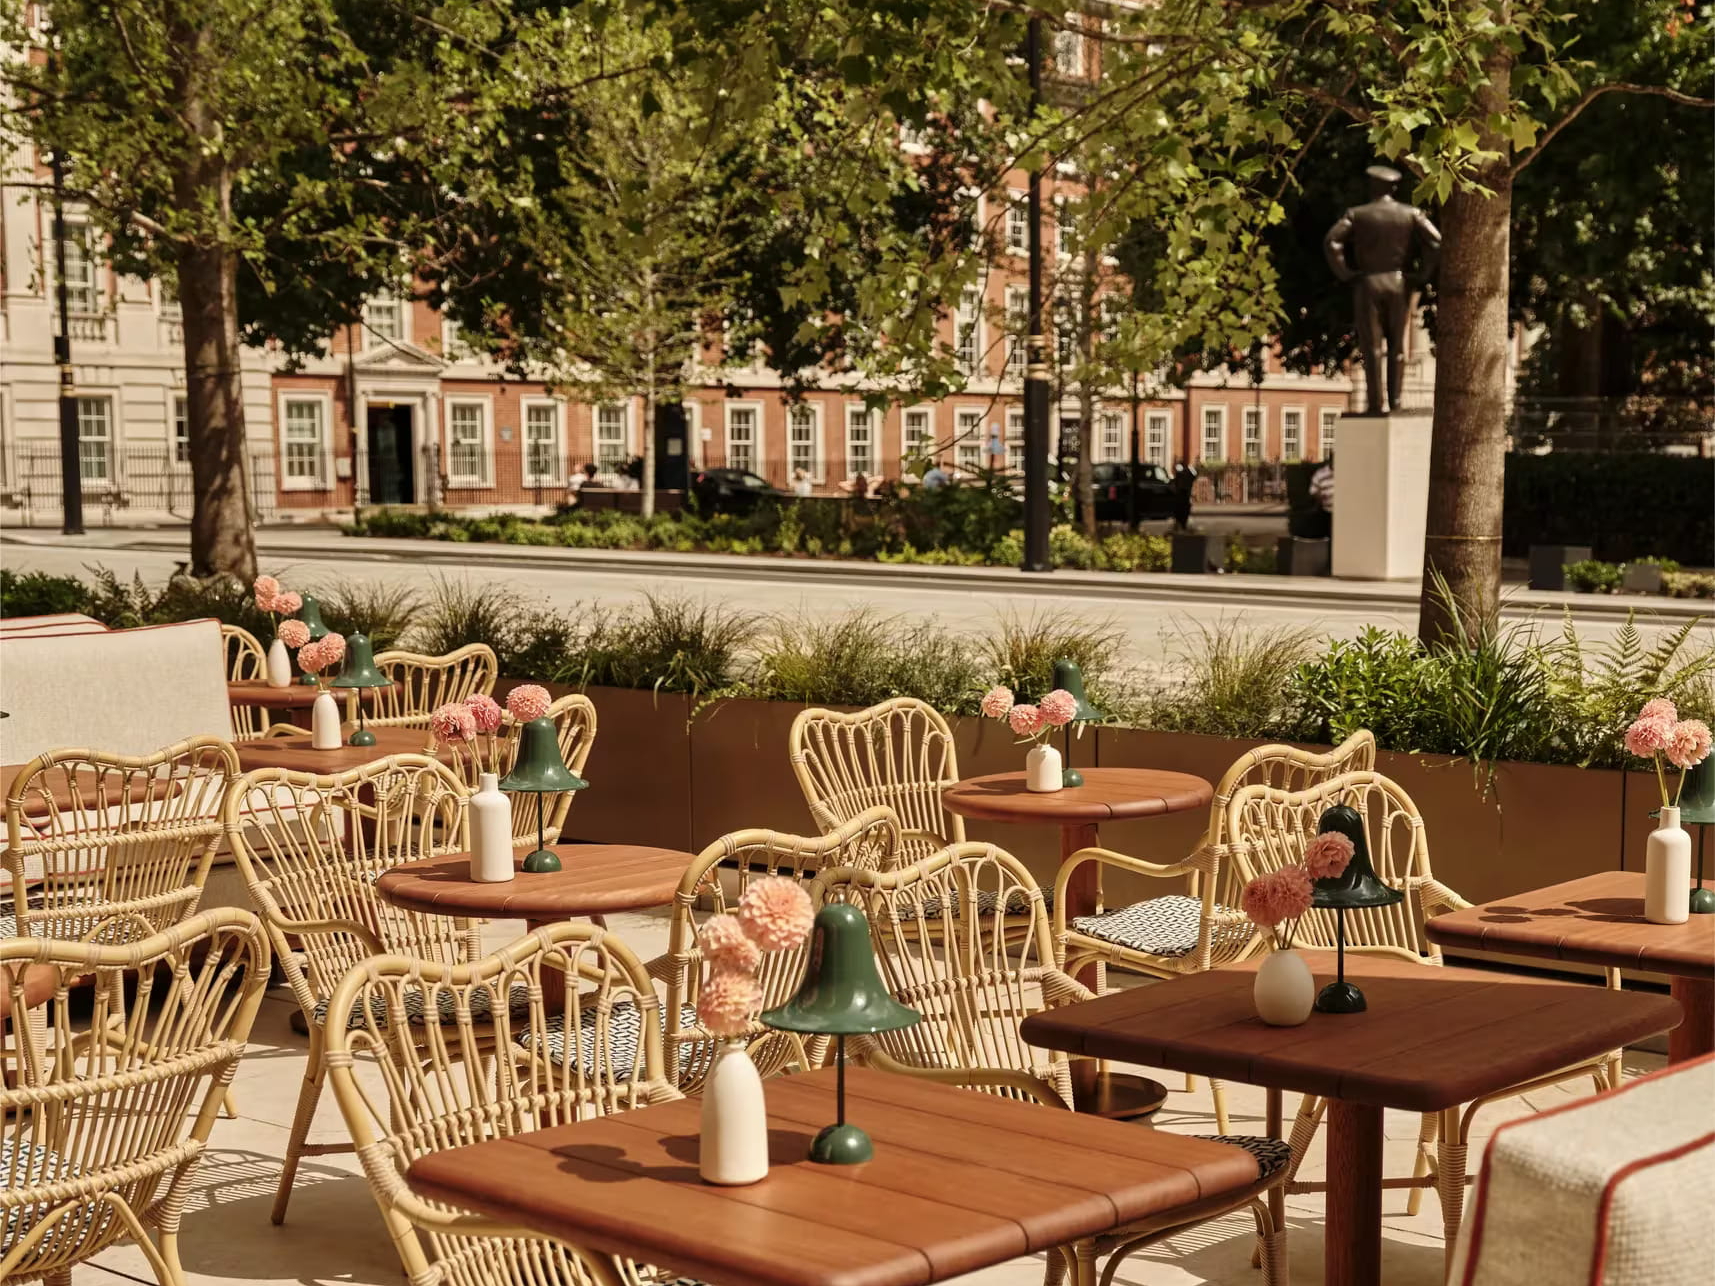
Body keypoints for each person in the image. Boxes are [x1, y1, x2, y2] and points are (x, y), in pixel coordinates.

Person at [1170, 461, 1196, 531]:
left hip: (1183, 494)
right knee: (1183, 510)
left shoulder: (1181, 474)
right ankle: (1181, 525)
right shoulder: (1187, 473)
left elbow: (1175, 484)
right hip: (1183, 495)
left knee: (1182, 510)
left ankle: (1180, 524)